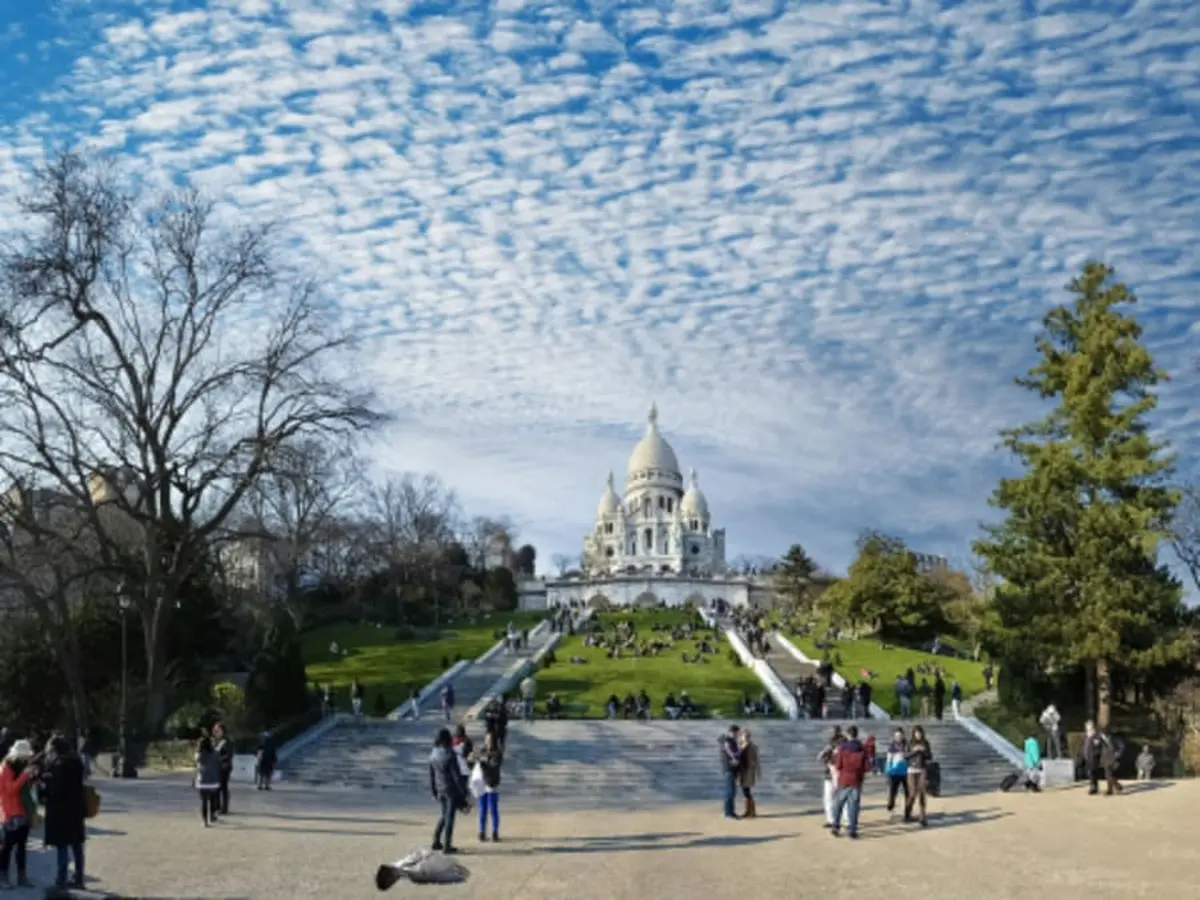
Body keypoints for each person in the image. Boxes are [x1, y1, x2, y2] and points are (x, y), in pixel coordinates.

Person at [41, 735, 87, 889]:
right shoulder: (77, 761)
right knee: (77, 845)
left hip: (61, 811)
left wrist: (45, 783)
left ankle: (61, 878)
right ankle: (79, 877)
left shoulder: (59, 765)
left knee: (62, 845)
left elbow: (57, 790)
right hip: (76, 809)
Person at [0, 739, 37, 889]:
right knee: (7, 848)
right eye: (25, 757)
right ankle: (3, 878)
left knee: (22, 846)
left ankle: (22, 877)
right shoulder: (6, 768)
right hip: (10, 813)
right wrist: (25, 776)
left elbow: (24, 789)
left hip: (22, 812)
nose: (27, 759)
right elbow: (10, 789)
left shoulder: (20, 766)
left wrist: (32, 776)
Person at [429, 728, 465, 853]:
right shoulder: (450, 754)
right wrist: (463, 792)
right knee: (449, 817)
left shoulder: (433, 753)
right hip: (450, 789)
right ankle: (447, 845)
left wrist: (433, 790)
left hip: (439, 788)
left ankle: (436, 840)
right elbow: (457, 776)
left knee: (444, 815)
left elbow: (431, 775)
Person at [829, 725, 869, 839]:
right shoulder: (861, 748)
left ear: (848, 734)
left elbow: (838, 765)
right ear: (857, 734)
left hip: (844, 778)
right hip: (856, 780)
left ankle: (836, 826)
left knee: (839, 804)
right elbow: (865, 766)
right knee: (854, 806)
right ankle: (852, 828)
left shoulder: (842, 748)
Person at [474, 732, 503, 842]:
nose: (488, 742)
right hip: (481, 784)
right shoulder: (482, 752)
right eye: (487, 739)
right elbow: (474, 764)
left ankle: (495, 832)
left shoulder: (497, 753)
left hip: (492, 784)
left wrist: (483, 762)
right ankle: (481, 832)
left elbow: (494, 766)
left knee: (493, 810)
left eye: (490, 740)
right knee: (482, 810)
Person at [904, 725, 932, 826]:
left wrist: (923, 751)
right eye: (916, 733)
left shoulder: (926, 743)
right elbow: (905, 756)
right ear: (913, 734)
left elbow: (930, 756)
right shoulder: (909, 743)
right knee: (912, 794)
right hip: (911, 770)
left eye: (919, 733)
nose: (918, 735)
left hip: (922, 769)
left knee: (922, 793)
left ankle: (922, 817)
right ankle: (907, 813)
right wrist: (914, 751)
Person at [195, 736, 221, 826]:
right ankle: (212, 815)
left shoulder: (199, 754)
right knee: (213, 800)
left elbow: (197, 765)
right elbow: (219, 764)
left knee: (204, 802)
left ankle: (205, 821)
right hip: (214, 781)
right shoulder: (216, 753)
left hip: (202, 781)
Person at [719, 725, 742, 820]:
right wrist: (734, 757)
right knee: (729, 791)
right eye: (734, 732)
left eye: (736, 732)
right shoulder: (727, 741)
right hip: (729, 769)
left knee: (733, 791)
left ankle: (731, 812)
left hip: (734, 769)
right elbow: (729, 750)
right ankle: (728, 813)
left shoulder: (734, 742)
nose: (735, 734)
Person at [884, 728, 909, 814]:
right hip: (894, 772)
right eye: (896, 736)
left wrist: (905, 756)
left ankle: (907, 812)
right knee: (892, 792)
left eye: (899, 735)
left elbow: (910, 755)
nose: (898, 737)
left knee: (908, 793)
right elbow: (888, 758)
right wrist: (887, 769)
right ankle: (891, 805)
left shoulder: (907, 745)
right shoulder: (892, 745)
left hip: (906, 772)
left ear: (903, 735)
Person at [737, 729, 760, 819]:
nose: (745, 737)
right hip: (742, 771)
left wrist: (758, 770)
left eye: (747, 736)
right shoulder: (740, 745)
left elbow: (756, 759)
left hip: (749, 771)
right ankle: (748, 811)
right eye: (744, 735)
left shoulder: (753, 746)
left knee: (746, 791)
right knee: (745, 791)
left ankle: (751, 811)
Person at [212, 723, 234, 816]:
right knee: (216, 787)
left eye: (217, 730)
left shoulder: (227, 741)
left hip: (224, 766)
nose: (215, 732)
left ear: (222, 731)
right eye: (214, 730)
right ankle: (217, 806)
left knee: (223, 787)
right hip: (216, 767)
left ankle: (224, 808)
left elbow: (229, 755)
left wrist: (220, 759)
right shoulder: (215, 741)